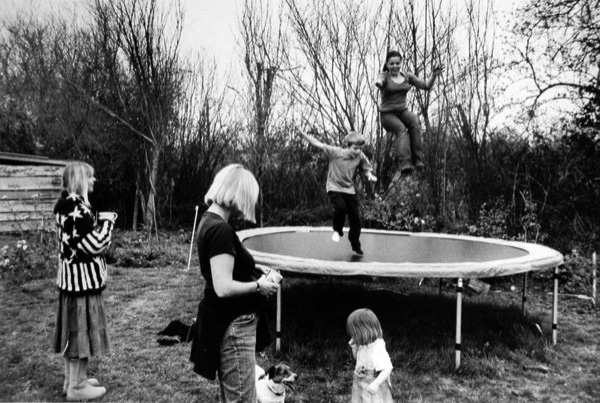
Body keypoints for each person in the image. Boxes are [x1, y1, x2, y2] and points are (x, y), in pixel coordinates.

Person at [190, 164, 280, 403]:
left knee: (233, 397)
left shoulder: (209, 221)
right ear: (237, 195)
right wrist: (259, 286)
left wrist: (252, 267)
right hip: (235, 325)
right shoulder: (221, 230)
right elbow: (223, 286)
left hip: (225, 321)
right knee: (241, 399)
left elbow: (222, 267)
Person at [53, 161, 117, 401]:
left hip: (72, 284)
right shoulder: (76, 209)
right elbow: (96, 244)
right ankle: (77, 387)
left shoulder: (66, 206)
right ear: (80, 180)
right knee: (80, 333)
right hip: (82, 285)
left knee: (73, 333)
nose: (94, 181)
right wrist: (108, 222)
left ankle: (71, 380)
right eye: (90, 177)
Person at [300, 131, 377, 255]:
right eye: (355, 148)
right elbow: (317, 144)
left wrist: (369, 176)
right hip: (334, 187)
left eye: (360, 149)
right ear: (348, 146)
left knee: (356, 220)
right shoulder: (336, 152)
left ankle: (355, 244)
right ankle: (337, 230)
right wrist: (303, 134)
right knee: (341, 208)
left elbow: (366, 167)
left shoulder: (360, 156)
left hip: (349, 189)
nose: (358, 151)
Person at [375, 50, 444, 175]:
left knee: (415, 121)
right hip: (387, 115)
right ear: (387, 64)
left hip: (402, 112)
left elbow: (426, 86)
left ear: (401, 63)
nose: (395, 66)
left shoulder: (407, 76)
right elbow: (379, 81)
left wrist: (433, 75)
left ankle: (418, 160)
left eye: (397, 63)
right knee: (401, 129)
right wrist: (379, 84)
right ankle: (405, 164)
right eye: (392, 64)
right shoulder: (384, 76)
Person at [347, 308, 394, 403]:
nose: (353, 335)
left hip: (372, 384)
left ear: (364, 331)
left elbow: (387, 368)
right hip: (360, 383)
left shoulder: (377, 347)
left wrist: (376, 384)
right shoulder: (363, 344)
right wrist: (354, 348)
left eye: (355, 333)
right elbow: (358, 360)